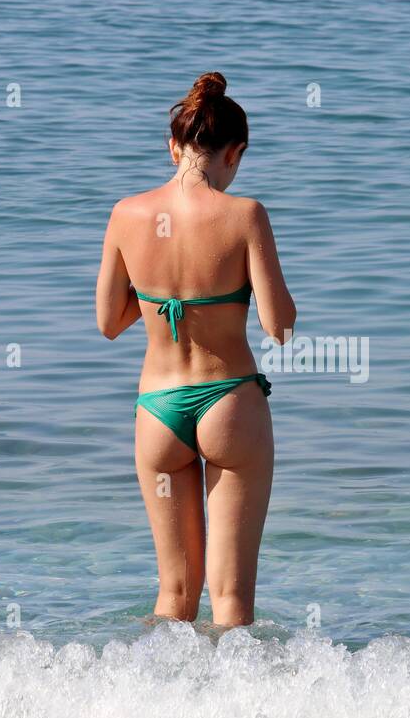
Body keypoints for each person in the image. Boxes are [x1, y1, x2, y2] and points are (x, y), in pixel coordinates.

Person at [95, 72, 297, 627]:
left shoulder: (127, 214)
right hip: (229, 403)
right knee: (230, 601)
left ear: (174, 147)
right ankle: (235, 711)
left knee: (174, 596)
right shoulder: (245, 216)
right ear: (235, 152)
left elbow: (109, 322)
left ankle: (159, 703)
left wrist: (163, 297)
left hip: (158, 412)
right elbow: (279, 324)